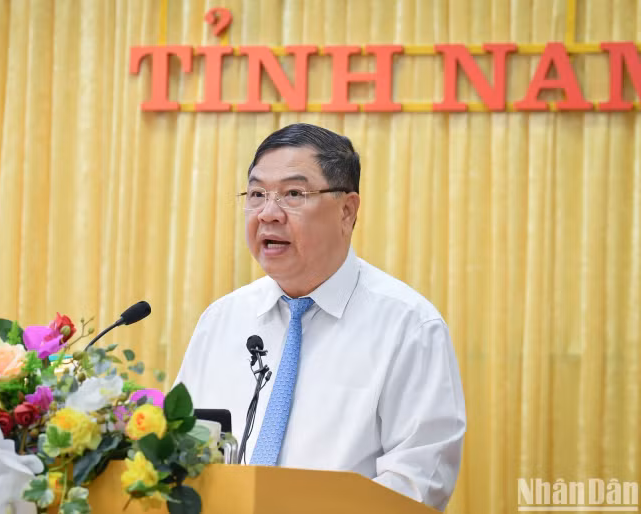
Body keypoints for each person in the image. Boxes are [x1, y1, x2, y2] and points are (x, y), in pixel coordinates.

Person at [175, 123, 466, 510]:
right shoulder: (221, 321)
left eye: (293, 194)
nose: (268, 213)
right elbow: (179, 450)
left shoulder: (409, 327)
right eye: (257, 193)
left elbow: (418, 482)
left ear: (347, 211)